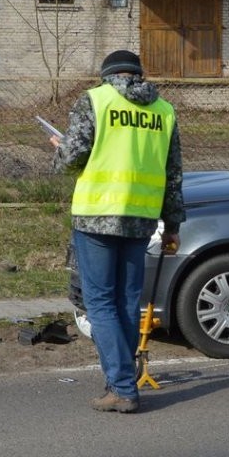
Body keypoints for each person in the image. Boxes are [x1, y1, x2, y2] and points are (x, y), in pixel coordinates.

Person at [51, 49, 184, 414]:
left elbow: (73, 156)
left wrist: (60, 149)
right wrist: (172, 226)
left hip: (96, 215)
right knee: (126, 302)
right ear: (138, 75)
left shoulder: (95, 100)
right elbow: (173, 177)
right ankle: (120, 381)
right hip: (140, 218)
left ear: (106, 74)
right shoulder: (164, 111)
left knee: (100, 303)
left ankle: (123, 387)